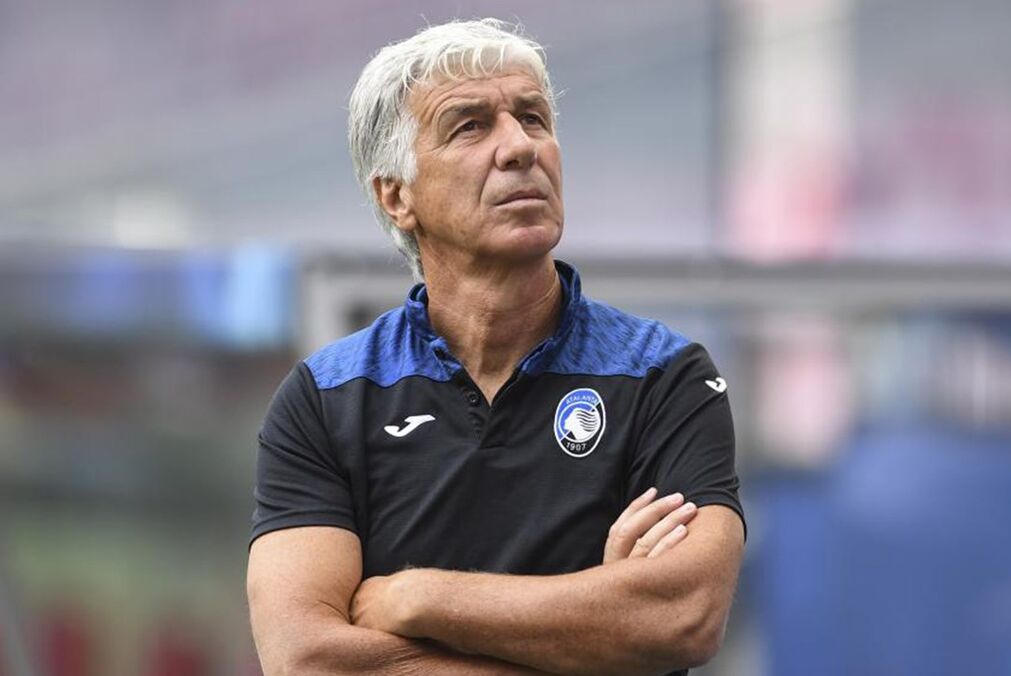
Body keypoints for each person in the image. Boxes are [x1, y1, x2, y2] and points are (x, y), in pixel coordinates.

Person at [246, 18, 745, 676]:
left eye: (533, 119)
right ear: (396, 195)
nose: (519, 147)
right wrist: (597, 637)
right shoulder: (326, 399)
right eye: (470, 126)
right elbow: (309, 659)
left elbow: (682, 615)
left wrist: (419, 598)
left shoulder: (665, 376)